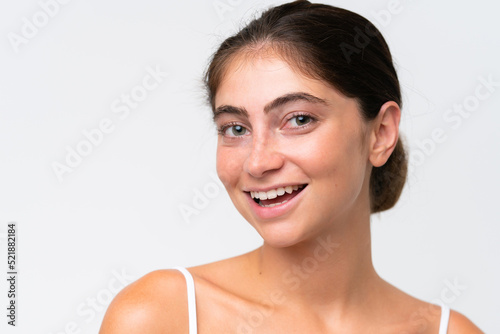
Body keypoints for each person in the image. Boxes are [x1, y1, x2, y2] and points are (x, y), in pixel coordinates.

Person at [100, 1, 482, 333]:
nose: (258, 161)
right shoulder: (163, 316)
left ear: (380, 134)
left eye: (298, 120)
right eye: (236, 128)